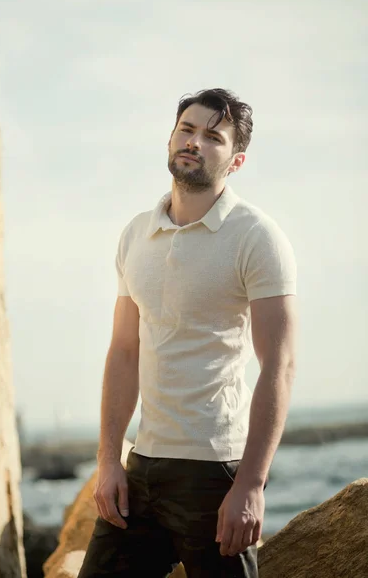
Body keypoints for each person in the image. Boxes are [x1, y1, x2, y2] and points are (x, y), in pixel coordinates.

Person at [78, 88, 297, 578]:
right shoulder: (136, 233)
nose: (194, 142)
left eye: (212, 137)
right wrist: (110, 460)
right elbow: (124, 352)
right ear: (171, 137)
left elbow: (278, 367)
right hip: (144, 464)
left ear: (236, 161)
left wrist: (251, 485)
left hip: (213, 470)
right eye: (186, 129)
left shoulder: (257, 237)